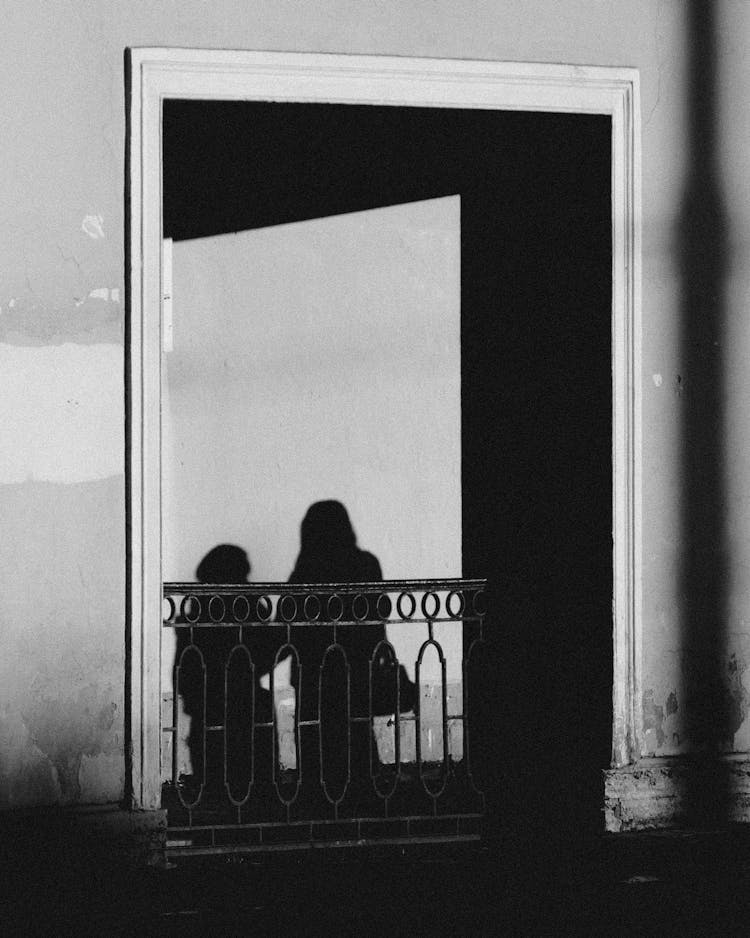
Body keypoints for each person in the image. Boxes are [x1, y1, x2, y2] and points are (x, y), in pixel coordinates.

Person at [287, 501, 387, 810]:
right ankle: (362, 799)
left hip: (314, 669)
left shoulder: (305, 569)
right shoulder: (366, 563)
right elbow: (379, 611)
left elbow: (289, 617)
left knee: (315, 735)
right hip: (355, 665)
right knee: (357, 731)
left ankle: (318, 803)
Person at [175, 544, 275, 803]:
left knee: (215, 789)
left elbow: (183, 672)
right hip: (246, 705)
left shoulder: (196, 613)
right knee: (254, 790)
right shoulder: (251, 608)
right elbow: (265, 657)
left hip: (209, 707)